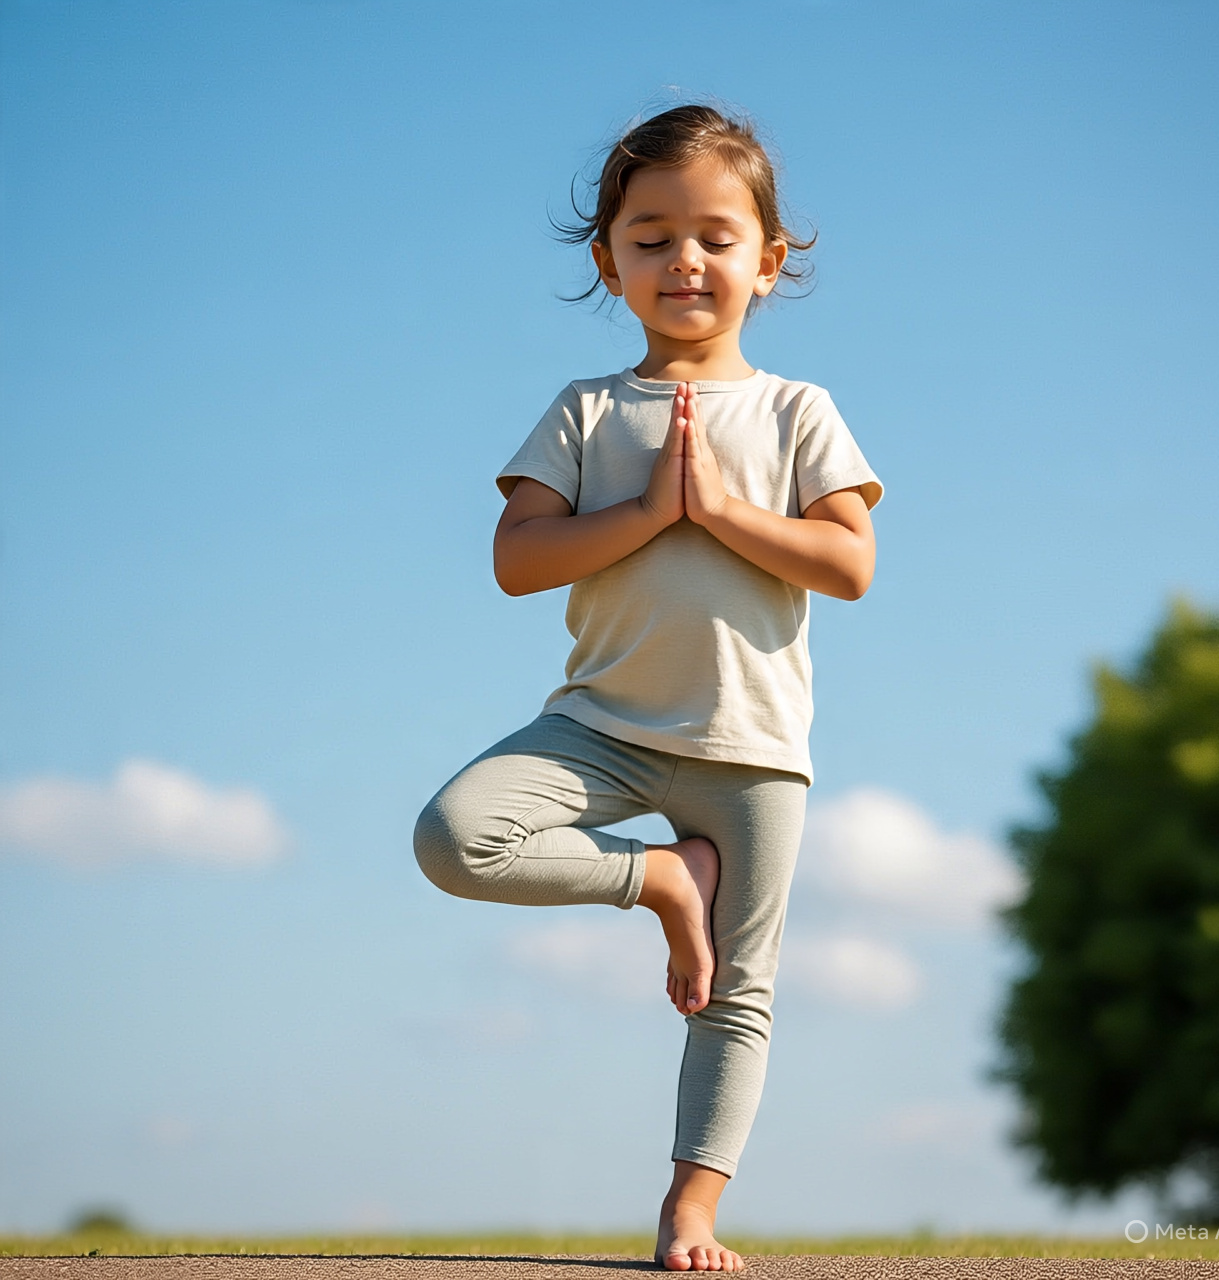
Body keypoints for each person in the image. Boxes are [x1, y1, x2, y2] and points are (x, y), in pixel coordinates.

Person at [414, 104, 883, 1272]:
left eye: (717, 237)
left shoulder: (795, 411)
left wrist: (720, 509)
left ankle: (690, 1208)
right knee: (453, 836)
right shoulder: (585, 408)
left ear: (767, 263)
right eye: (652, 235)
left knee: (739, 986)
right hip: (602, 727)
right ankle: (659, 877)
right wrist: (640, 513)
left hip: (751, 744)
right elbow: (517, 560)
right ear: (608, 262)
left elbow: (849, 564)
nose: (685, 260)